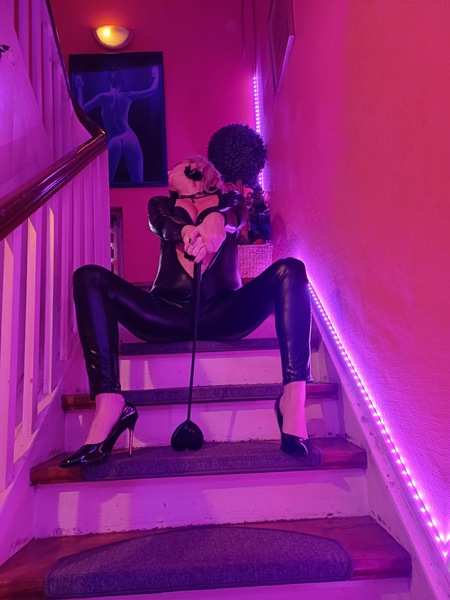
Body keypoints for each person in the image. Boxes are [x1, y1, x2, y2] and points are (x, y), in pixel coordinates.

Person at [59, 157, 312, 468]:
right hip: (167, 311)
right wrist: (188, 231)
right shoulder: (160, 203)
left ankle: (293, 400)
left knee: (292, 269)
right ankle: (111, 402)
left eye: (175, 167)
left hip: (224, 310)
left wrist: (217, 219)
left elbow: (236, 217)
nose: (167, 172)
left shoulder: (231, 198)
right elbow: (161, 224)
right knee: (88, 276)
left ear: (194, 167)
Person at [72, 66, 160, 184]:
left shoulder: (103, 97)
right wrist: (156, 75)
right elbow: (152, 90)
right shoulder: (127, 95)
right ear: (121, 82)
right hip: (130, 137)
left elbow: (81, 111)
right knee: (138, 182)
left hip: (114, 139)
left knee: (107, 185)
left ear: (108, 82)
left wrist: (79, 88)